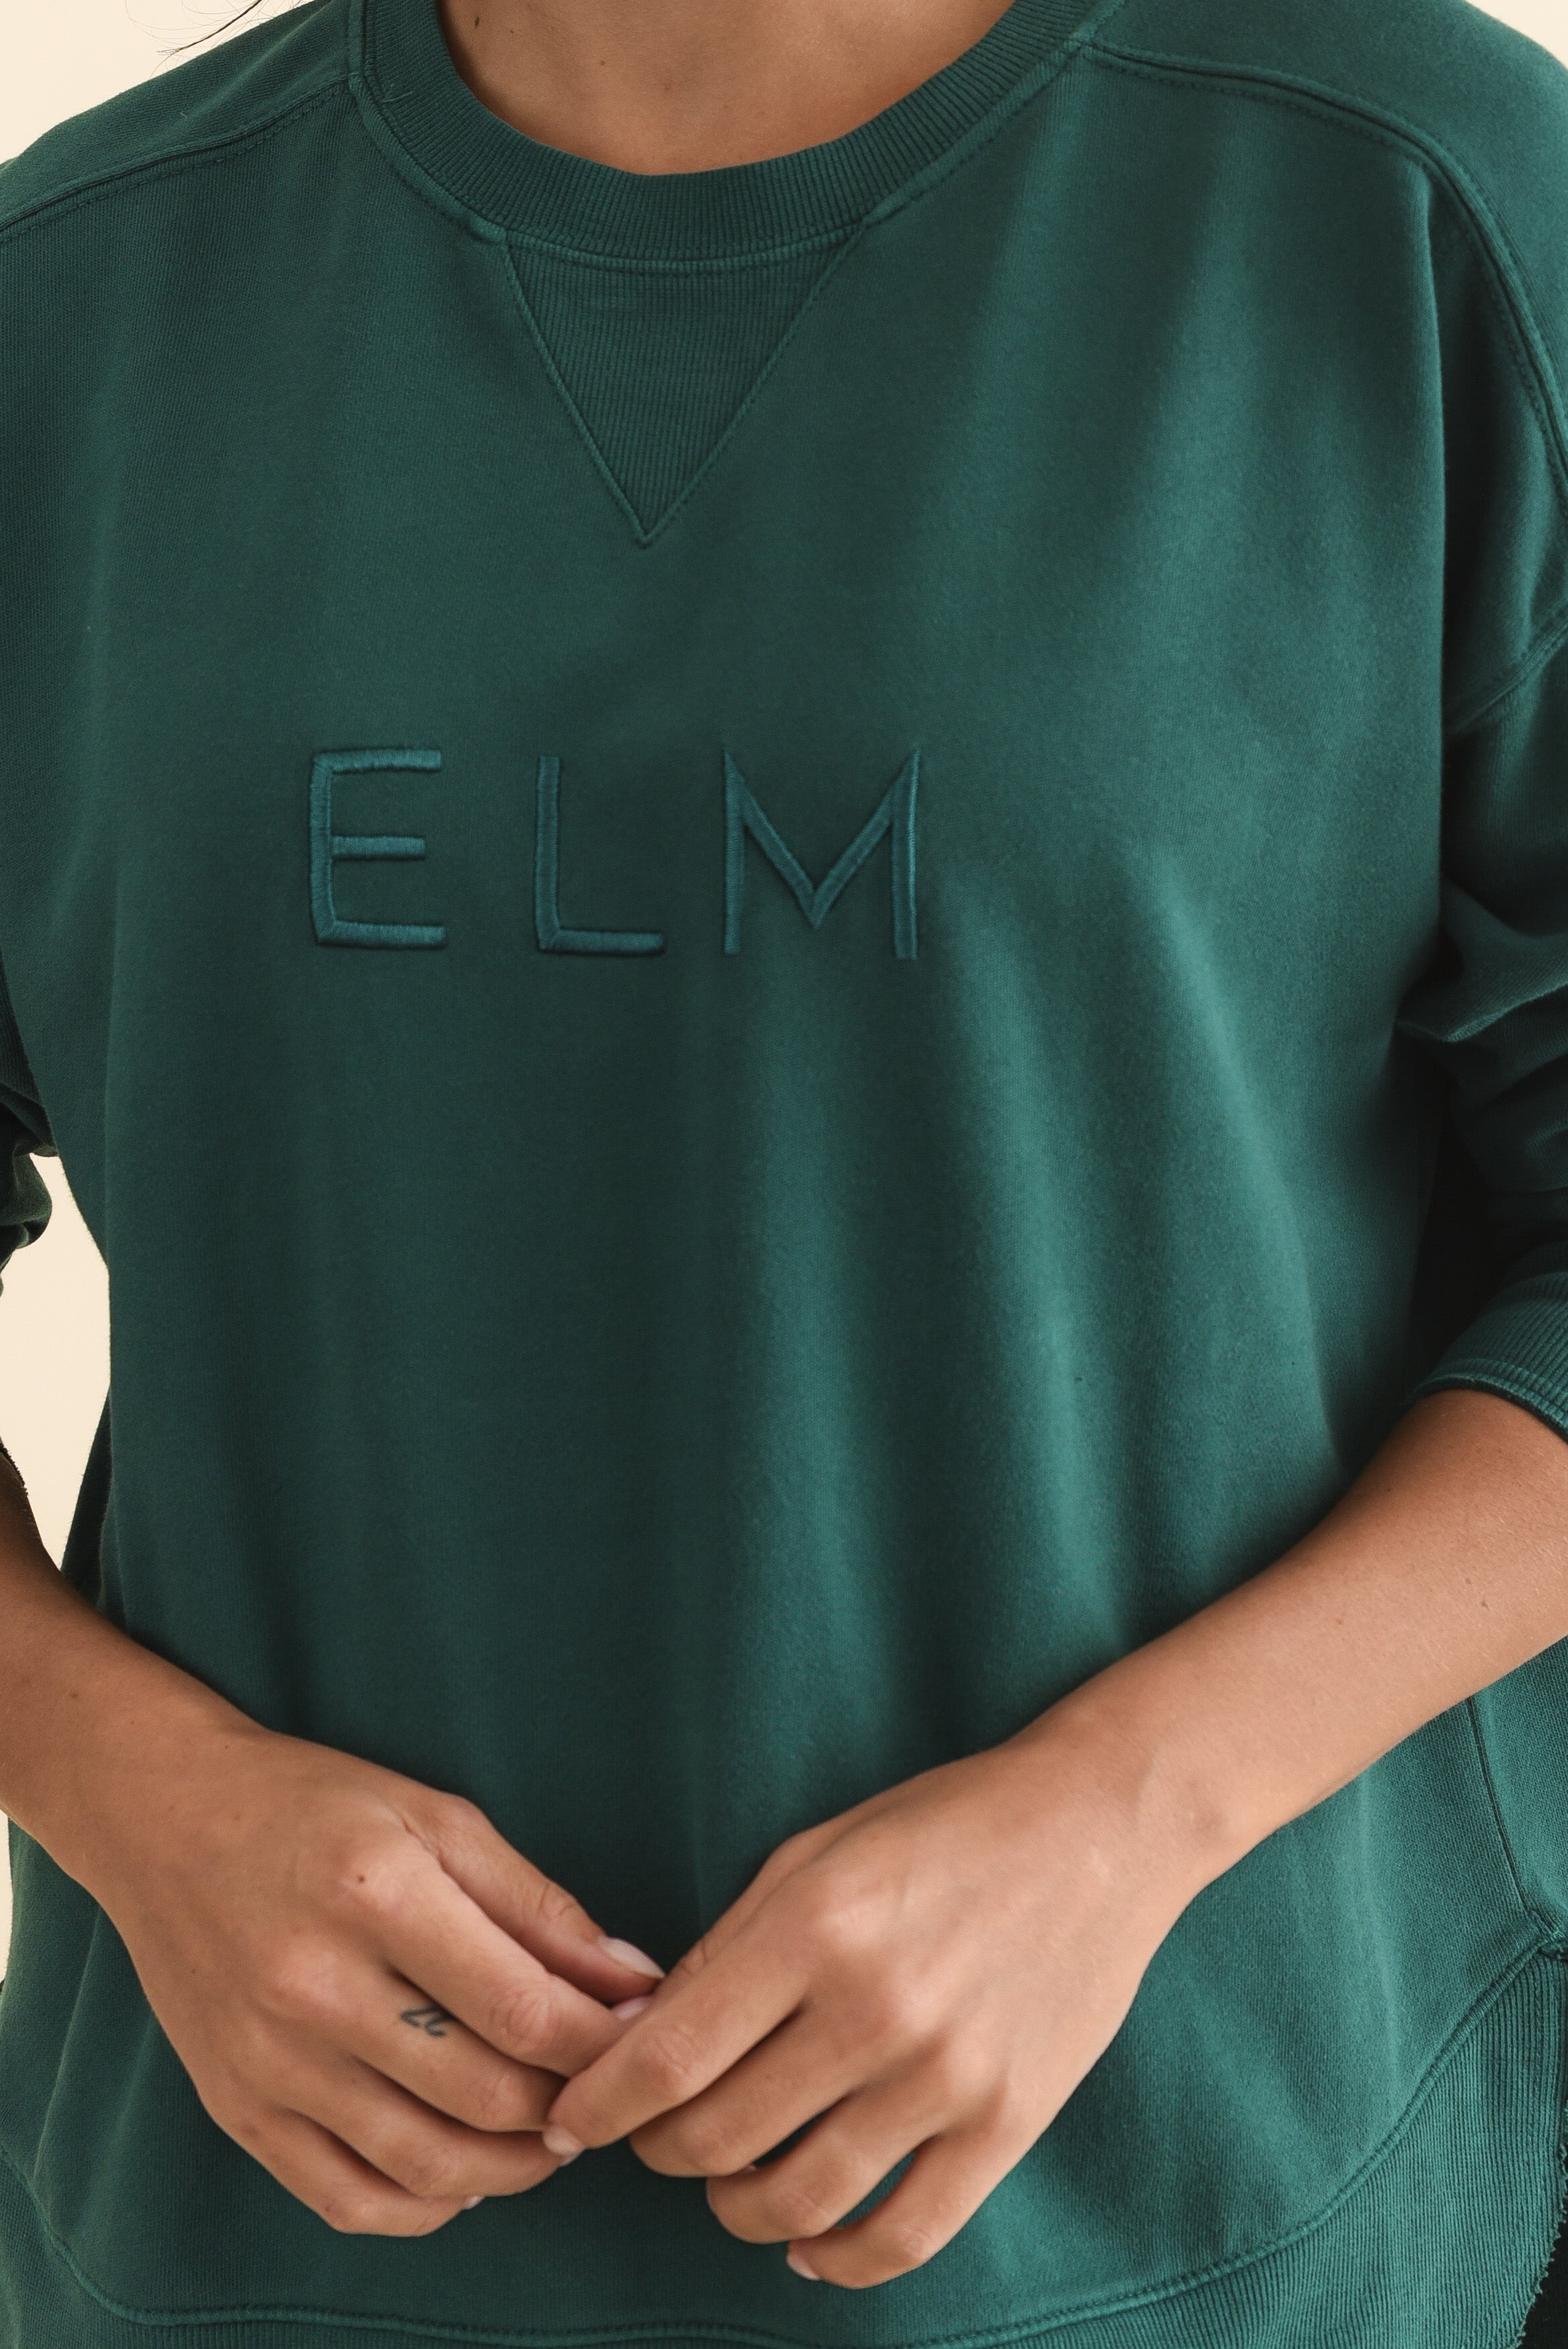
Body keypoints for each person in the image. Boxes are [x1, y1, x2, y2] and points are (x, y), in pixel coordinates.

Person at [3, 0, 1568, 2342]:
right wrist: (125, 1785)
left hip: (1196, 2231)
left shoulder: (1412, 203)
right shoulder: (72, 296)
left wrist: (1126, 1808)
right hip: (235, 2252)